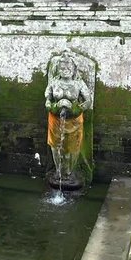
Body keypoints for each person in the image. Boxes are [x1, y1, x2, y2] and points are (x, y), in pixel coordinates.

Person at [45, 53, 91, 187]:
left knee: (73, 146)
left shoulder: (79, 84)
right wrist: (53, 106)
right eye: (62, 66)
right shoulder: (54, 82)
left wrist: (76, 109)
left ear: (74, 69)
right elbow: (47, 100)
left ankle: (69, 171)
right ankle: (58, 171)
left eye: (68, 66)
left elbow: (88, 101)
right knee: (55, 145)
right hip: (55, 119)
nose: (65, 69)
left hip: (74, 120)